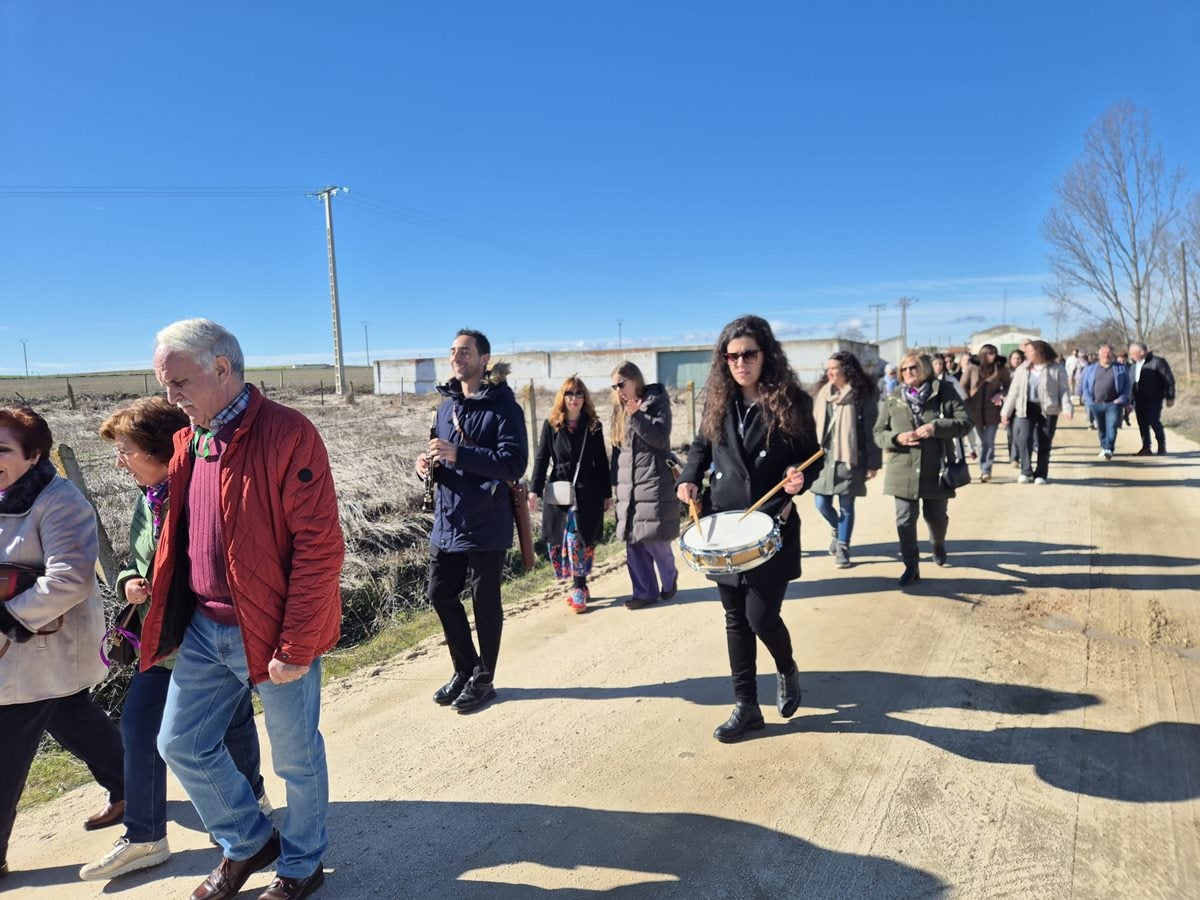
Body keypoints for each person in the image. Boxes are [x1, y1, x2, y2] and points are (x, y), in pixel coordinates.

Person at [142, 319, 344, 900]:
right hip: (206, 628)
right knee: (179, 742)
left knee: (296, 760)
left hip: (272, 630)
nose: (170, 396)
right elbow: (179, 540)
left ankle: (302, 864)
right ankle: (248, 840)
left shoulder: (288, 434)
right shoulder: (190, 441)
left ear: (221, 369)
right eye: (165, 384)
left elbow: (319, 546)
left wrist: (297, 643)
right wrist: (171, 616)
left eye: (178, 382)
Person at [81, 398, 270, 882]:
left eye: (125, 451)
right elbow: (133, 558)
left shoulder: (197, 494)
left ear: (161, 450)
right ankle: (148, 835)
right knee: (155, 728)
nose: (119, 463)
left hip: (203, 634)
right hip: (161, 637)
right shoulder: (150, 499)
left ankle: (236, 811)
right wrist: (128, 581)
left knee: (208, 726)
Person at [676, 315, 821, 742]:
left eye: (749, 354)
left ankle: (787, 667)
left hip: (770, 523)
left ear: (765, 354)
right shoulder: (718, 402)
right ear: (725, 360)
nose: (740, 362)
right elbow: (701, 447)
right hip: (723, 527)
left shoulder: (791, 400)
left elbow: (811, 455)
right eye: (733, 355)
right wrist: (688, 477)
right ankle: (746, 706)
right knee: (735, 619)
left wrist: (800, 477)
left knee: (761, 617)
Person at [0, 407, 125, 880]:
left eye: (2, 449)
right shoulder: (3, 493)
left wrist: (8, 618)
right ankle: (131, 787)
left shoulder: (60, 501)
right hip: (22, 650)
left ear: (33, 454)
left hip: (42, 643)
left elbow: (70, 580)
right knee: (73, 716)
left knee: (5, 748)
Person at [417, 329, 528, 713]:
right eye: (452, 351)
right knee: (440, 594)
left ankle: (485, 679)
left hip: (487, 520)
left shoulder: (504, 407)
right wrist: (425, 466)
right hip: (447, 519)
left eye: (465, 351)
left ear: (484, 359)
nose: (456, 356)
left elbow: (514, 463)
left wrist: (459, 454)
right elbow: (441, 450)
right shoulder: (446, 404)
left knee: (485, 602)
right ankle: (464, 669)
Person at [874, 354, 972, 586]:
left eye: (913, 367)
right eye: (904, 369)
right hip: (902, 469)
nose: (907, 372)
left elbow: (965, 423)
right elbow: (878, 434)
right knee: (904, 520)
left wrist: (935, 428)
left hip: (935, 469)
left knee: (936, 517)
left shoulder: (944, 391)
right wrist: (897, 438)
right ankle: (911, 566)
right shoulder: (894, 396)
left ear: (925, 368)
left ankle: (937, 544)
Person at [528, 377, 612, 613]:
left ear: (585, 397)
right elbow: (542, 459)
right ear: (562, 397)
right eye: (569, 394)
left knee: (579, 540)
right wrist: (534, 490)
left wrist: (607, 494)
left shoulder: (593, 425)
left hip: (588, 491)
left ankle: (578, 588)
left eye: (578, 394)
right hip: (559, 491)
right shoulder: (552, 424)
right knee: (560, 543)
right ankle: (581, 586)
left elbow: (601, 462)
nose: (574, 398)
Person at [611, 361, 679, 610]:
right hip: (629, 484)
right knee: (634, 542)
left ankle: (669, 579)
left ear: (635, 380)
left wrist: (637, 416)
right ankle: (644, 591)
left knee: (655, 539)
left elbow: (661, 439)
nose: (618, 390)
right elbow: (617, 450)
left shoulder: (656, 401)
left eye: (622, 384)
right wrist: (615, 483)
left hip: (654, 480)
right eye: (614, 386)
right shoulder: (619, 409)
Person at [810, 351, 880, 568]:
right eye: (828, 369)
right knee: (820, 503)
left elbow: (871, 431)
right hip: (824, 459)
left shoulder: (862, 397)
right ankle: (836, 529)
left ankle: (843, 547)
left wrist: (873, 463)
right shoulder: (822, 395)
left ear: (846, 370)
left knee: (847, 505)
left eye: (834, 368)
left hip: (850, 458)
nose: (830, 372)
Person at [1001, 339, 1073, 485]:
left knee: (1044, 441)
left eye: (1029, 352)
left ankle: (1041, 473)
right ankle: (1025, 471)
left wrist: (1067, 408)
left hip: (1048, 409)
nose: (1026, 354)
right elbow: (1013, 391)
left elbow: (1064, 390)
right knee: (1023, 439)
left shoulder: (1056, 368)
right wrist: (1005, 412)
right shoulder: (1023, 368)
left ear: (1040, 352)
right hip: (1026, 407)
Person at [959, 344, 1011, 482]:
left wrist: (1000, 394)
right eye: (989, 353)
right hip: (974, 411)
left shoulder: (1000, 368)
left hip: (992, 411)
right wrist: (967, 400)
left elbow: (1008, 386)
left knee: (989, 442)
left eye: (994, 352)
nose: (992, 355)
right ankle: (983, 466)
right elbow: (962, 386)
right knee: (980, 442)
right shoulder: (972, 368)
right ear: (983, 354)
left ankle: (985, 470)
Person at [1079, 344, 1131, 461]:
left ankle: (1109, 448)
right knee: (1101, 427)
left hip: (1113, 403)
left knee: (1112, 426)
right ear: (1099, 355)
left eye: (1108, 353)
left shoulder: (1121, 368)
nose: (1106, 356)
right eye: (1103, 353)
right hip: (1096, 403)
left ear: (1112, 355)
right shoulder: (1090, 369)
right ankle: (1103, 446)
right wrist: (1088, 399)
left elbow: (1128, 386)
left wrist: (1122, 398)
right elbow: (1085, 386)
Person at [1129, 342, 1176, 455]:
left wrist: (1170, 397)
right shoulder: (1134, 365)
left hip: (1154, 398)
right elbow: (1131, 383)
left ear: (1142, 352)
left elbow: (1169, 380)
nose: (1131, 356)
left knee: (1153, 420)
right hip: (1138, 399)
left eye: (1133, 353)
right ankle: (1146, 447)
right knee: (1142, 423)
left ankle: (1161, 445)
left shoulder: (1158, 362)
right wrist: (1129, 400)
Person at [1004, 348, 1025, 467]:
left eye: (1018, 358)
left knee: (1019, 432)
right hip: (1008, 406)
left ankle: (1015, 457)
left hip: (1021, 406)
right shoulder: (1006, 373)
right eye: (1014, 358)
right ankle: (1012, 456)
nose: (1016, 361)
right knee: (1010, 433)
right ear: (1010, 360)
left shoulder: (1026, 372)